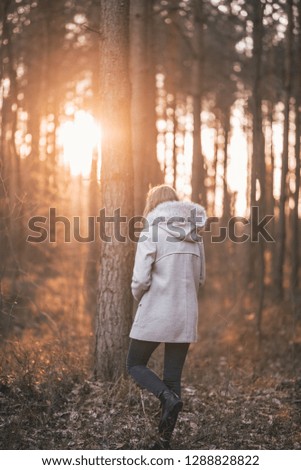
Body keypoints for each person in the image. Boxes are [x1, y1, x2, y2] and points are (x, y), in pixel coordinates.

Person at [126, 184, 206, 449]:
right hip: (186, 312)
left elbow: (139, 279)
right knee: (173, 378)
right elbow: (202, 277)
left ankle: (165, 398)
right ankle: (163, 442)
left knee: (134, 364)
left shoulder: (152, 228)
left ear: (153, 204)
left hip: (156, 308)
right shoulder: (195, 232)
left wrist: (143, 299)